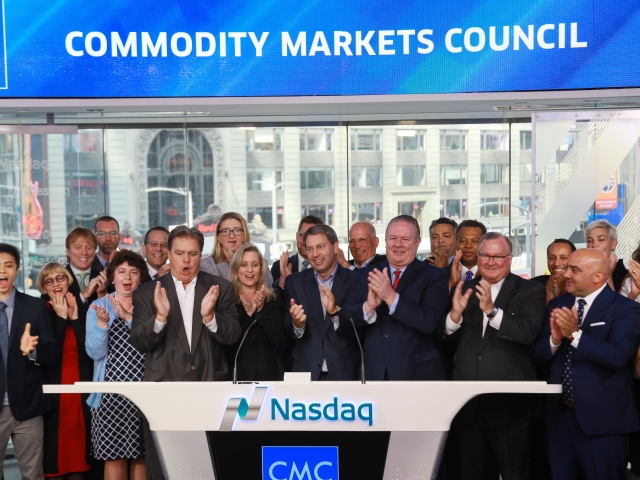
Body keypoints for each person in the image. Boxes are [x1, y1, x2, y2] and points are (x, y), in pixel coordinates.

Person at [130, 226, 240, 480]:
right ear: (169, 254)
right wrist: (160, 318)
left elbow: (233, 334)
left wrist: (210, 317)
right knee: (165, 469)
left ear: (201, 254)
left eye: (192, 253)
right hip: (163, 393)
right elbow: (139, 341)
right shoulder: (147, 292)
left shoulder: (220, 287)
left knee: (210, 467)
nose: (186, 260)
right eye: (179, 253)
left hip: (210, 389)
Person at [439, 232, 546, 480]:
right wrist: (454, 316)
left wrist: (491, 310)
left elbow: (528, 333)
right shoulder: (463, 289)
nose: (490, 261)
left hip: (510, 407)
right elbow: (444, 337)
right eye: (485, 255)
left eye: (497, 256)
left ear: (510, 258)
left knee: (515, 474)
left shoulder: (530, 290)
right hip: (468, 406)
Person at [531, 248, 640, 480]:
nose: (566, 274)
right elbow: (538, 355)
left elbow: (618, 356)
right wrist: (554, 341)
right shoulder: (558, 304)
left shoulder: (626, 309)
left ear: (598, 276)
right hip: (559, 421)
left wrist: (574, 335)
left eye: (574, 270)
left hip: (603, 424)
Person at [340, 215, 450, 380]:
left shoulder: (434, 275)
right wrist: (368, 307)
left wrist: (391, 297)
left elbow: (429, 321)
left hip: (418, 375)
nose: (398, 244)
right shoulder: (366, 274)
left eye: (405, 239)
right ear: (385, 241)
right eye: (393, 238)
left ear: (417, 242)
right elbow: (344, 320)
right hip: (375, 375)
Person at [86, 251, 151, 480]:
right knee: (114, 458)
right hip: (110, 397)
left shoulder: (149, 306)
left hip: (144, 394)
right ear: (113, 277)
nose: (127, 277)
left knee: (142, 457)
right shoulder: (98, 306)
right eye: (121, 271)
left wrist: (128, 318)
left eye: (133, 272)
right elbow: (94, 352)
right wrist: (102, 324)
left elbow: (154, 344)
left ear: (141, 277)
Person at [0, 244, 59, 480]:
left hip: (29, 407)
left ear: (17, 270)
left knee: (33, 475)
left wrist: (33, 351)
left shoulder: (35, 306)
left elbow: (52, 354)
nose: (2, 271)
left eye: (8, 265)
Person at [38, 263, 93, 479]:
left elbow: (90, 351)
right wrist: (61, 318)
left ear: (68, 280)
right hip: (53, 392)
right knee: (55, 458)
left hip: (80, 390)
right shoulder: (39, 310)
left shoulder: (82, 306)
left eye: (60, 278)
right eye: (49, 281)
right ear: (43, 287)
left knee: (79, 460)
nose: (56, 284)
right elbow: (49, 355)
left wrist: (75, 318)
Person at [283, 225, 359, 381]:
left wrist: (335, 313)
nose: (315, 254)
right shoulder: (294, 282)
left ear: (335, 247)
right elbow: (287, 329)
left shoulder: (356, 280)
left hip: (345, 371)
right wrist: (297, 324)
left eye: (320, 247)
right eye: (310, 249)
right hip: (305, 371)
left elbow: (362, 328)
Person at [227, 243, 284, 381]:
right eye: (244, 265)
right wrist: (249, 313)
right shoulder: (227, 300)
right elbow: (230, 342)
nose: (250, 270)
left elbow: (277, 338)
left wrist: (261, 309)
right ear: (236, 268)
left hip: (270, 375)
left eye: (255, 265)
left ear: (261, 268)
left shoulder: (273, 297)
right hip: (237, 375)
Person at [200, 212, 273, 285]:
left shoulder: (261, 264)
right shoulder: (206, 266)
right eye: (225, 231)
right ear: (218, 237)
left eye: (237, 230)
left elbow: (269, 290)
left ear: (244, 235)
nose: (231, 236)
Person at [272, 215, 324, 286]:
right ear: (297, 236)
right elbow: (272, 293)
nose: (306, 242)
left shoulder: (328, 267)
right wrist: (282, 281)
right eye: (303, 236)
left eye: (312, 237)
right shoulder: (278, 267)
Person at [64, 227, 107, 308]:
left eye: (88, 248)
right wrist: (84, 294)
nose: (84, 252)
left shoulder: (104, 278)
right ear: (68, 251)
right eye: (78, 247)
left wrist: (102, 294)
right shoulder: (57, 279)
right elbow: (51, 312)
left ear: (94, 251)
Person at [584, 219, 627, 291]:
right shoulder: (582, 272)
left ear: (613, 244)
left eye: (601, 239)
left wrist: (608, 276)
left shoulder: (625, 276)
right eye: (589, 241)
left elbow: (615, 298)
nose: (594, 245)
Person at [531, 239, 576, 305]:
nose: (556, 263)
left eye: (563, 258)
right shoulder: (534, 286)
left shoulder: (581, 287)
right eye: (552, 258)